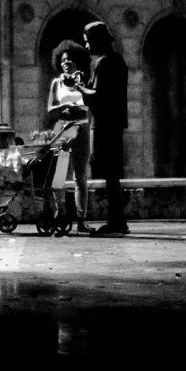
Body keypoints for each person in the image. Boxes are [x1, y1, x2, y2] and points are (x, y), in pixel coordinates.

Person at [82, 21, 130, 236]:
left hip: (103, 123)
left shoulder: (104, 62)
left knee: (109, 173)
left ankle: (116, 221)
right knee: (112, 175)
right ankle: (118, 219)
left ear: (96, 40)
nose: (87, 46)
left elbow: (97, 96)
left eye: (88, 41)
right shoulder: (118, 60)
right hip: (115, 123)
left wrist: (79, 87)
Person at [46, 39, 94, 232]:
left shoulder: (84, 81)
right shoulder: (56, 83)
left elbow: (91, 103)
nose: (66, 63)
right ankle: (61, 213)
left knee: (80, 177)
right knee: (58, 174)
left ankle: (82, 219)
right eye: (63, 60)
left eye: (70, 60)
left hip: (81, 128)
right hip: (62, 129)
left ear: (78, 62)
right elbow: (50, 109)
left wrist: (81, 103)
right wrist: (64, 106)